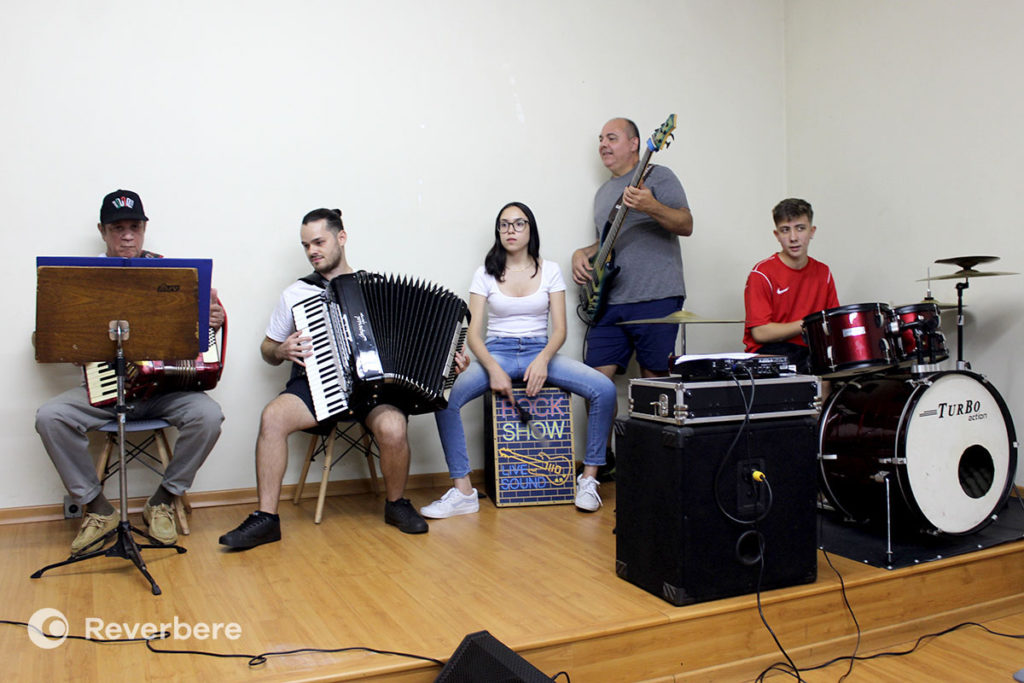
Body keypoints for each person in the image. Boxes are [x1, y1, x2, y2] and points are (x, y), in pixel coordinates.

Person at [219, 208, 470, 549]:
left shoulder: (376, 287)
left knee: (394, 427)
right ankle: (266, 519)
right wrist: (281, 349)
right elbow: (267, 349)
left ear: (341, 237)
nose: (312, 251)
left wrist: (450, 362)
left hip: (374, 392)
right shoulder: (296, 293)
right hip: (316, 385)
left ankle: (396, 504)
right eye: (306, 245)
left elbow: (422, 342)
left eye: (318, 242)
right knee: (272, 417)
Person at [35, 189, 225, 555]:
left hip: (163, 392)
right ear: (102, 231)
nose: (127, 236)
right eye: (117, 228)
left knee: (208, 416)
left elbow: (197, 340)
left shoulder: (172, 274)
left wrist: (209, 319)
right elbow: (47, 337)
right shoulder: (81, 279)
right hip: (104, 392)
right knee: (50, 417)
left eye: (134, 228)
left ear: (144, 229)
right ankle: (98, 509)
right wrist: (68, 340)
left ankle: (163, 500)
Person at [423, 202, 617, 517]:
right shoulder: (485, 273)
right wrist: (493, 368)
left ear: (530, 229)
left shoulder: (549, 270)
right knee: (444, 398)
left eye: (518, 223)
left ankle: (588, 479)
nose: (510, 230)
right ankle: (463, 492)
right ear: (498, 232)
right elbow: (473, 335)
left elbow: (560, 330)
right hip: (497, 351)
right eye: (504, 224)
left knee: (604, 389)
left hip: (539, 350)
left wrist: (542, 360)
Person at [571, 117, 693, 381]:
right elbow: (607, 242)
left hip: (656, 296)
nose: (603, 144)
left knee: (654, 380)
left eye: (611, 138)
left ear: (634, 143)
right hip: (610, 301)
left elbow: (686, 224)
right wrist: (582, 253)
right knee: (594, 383)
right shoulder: (603, 193)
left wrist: (651, 206)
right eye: (601, 139)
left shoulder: (659, 176)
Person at [743, 197, 839, 372]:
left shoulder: (823, 272)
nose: (793, 238)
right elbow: (760, 333)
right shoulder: (762, 273)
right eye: (785, 230)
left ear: (812, 231)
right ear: (777, 235)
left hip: (810, 350)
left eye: (800, 228)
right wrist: (808, 324)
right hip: (772, 352)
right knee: (818, 369)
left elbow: (833, 323)